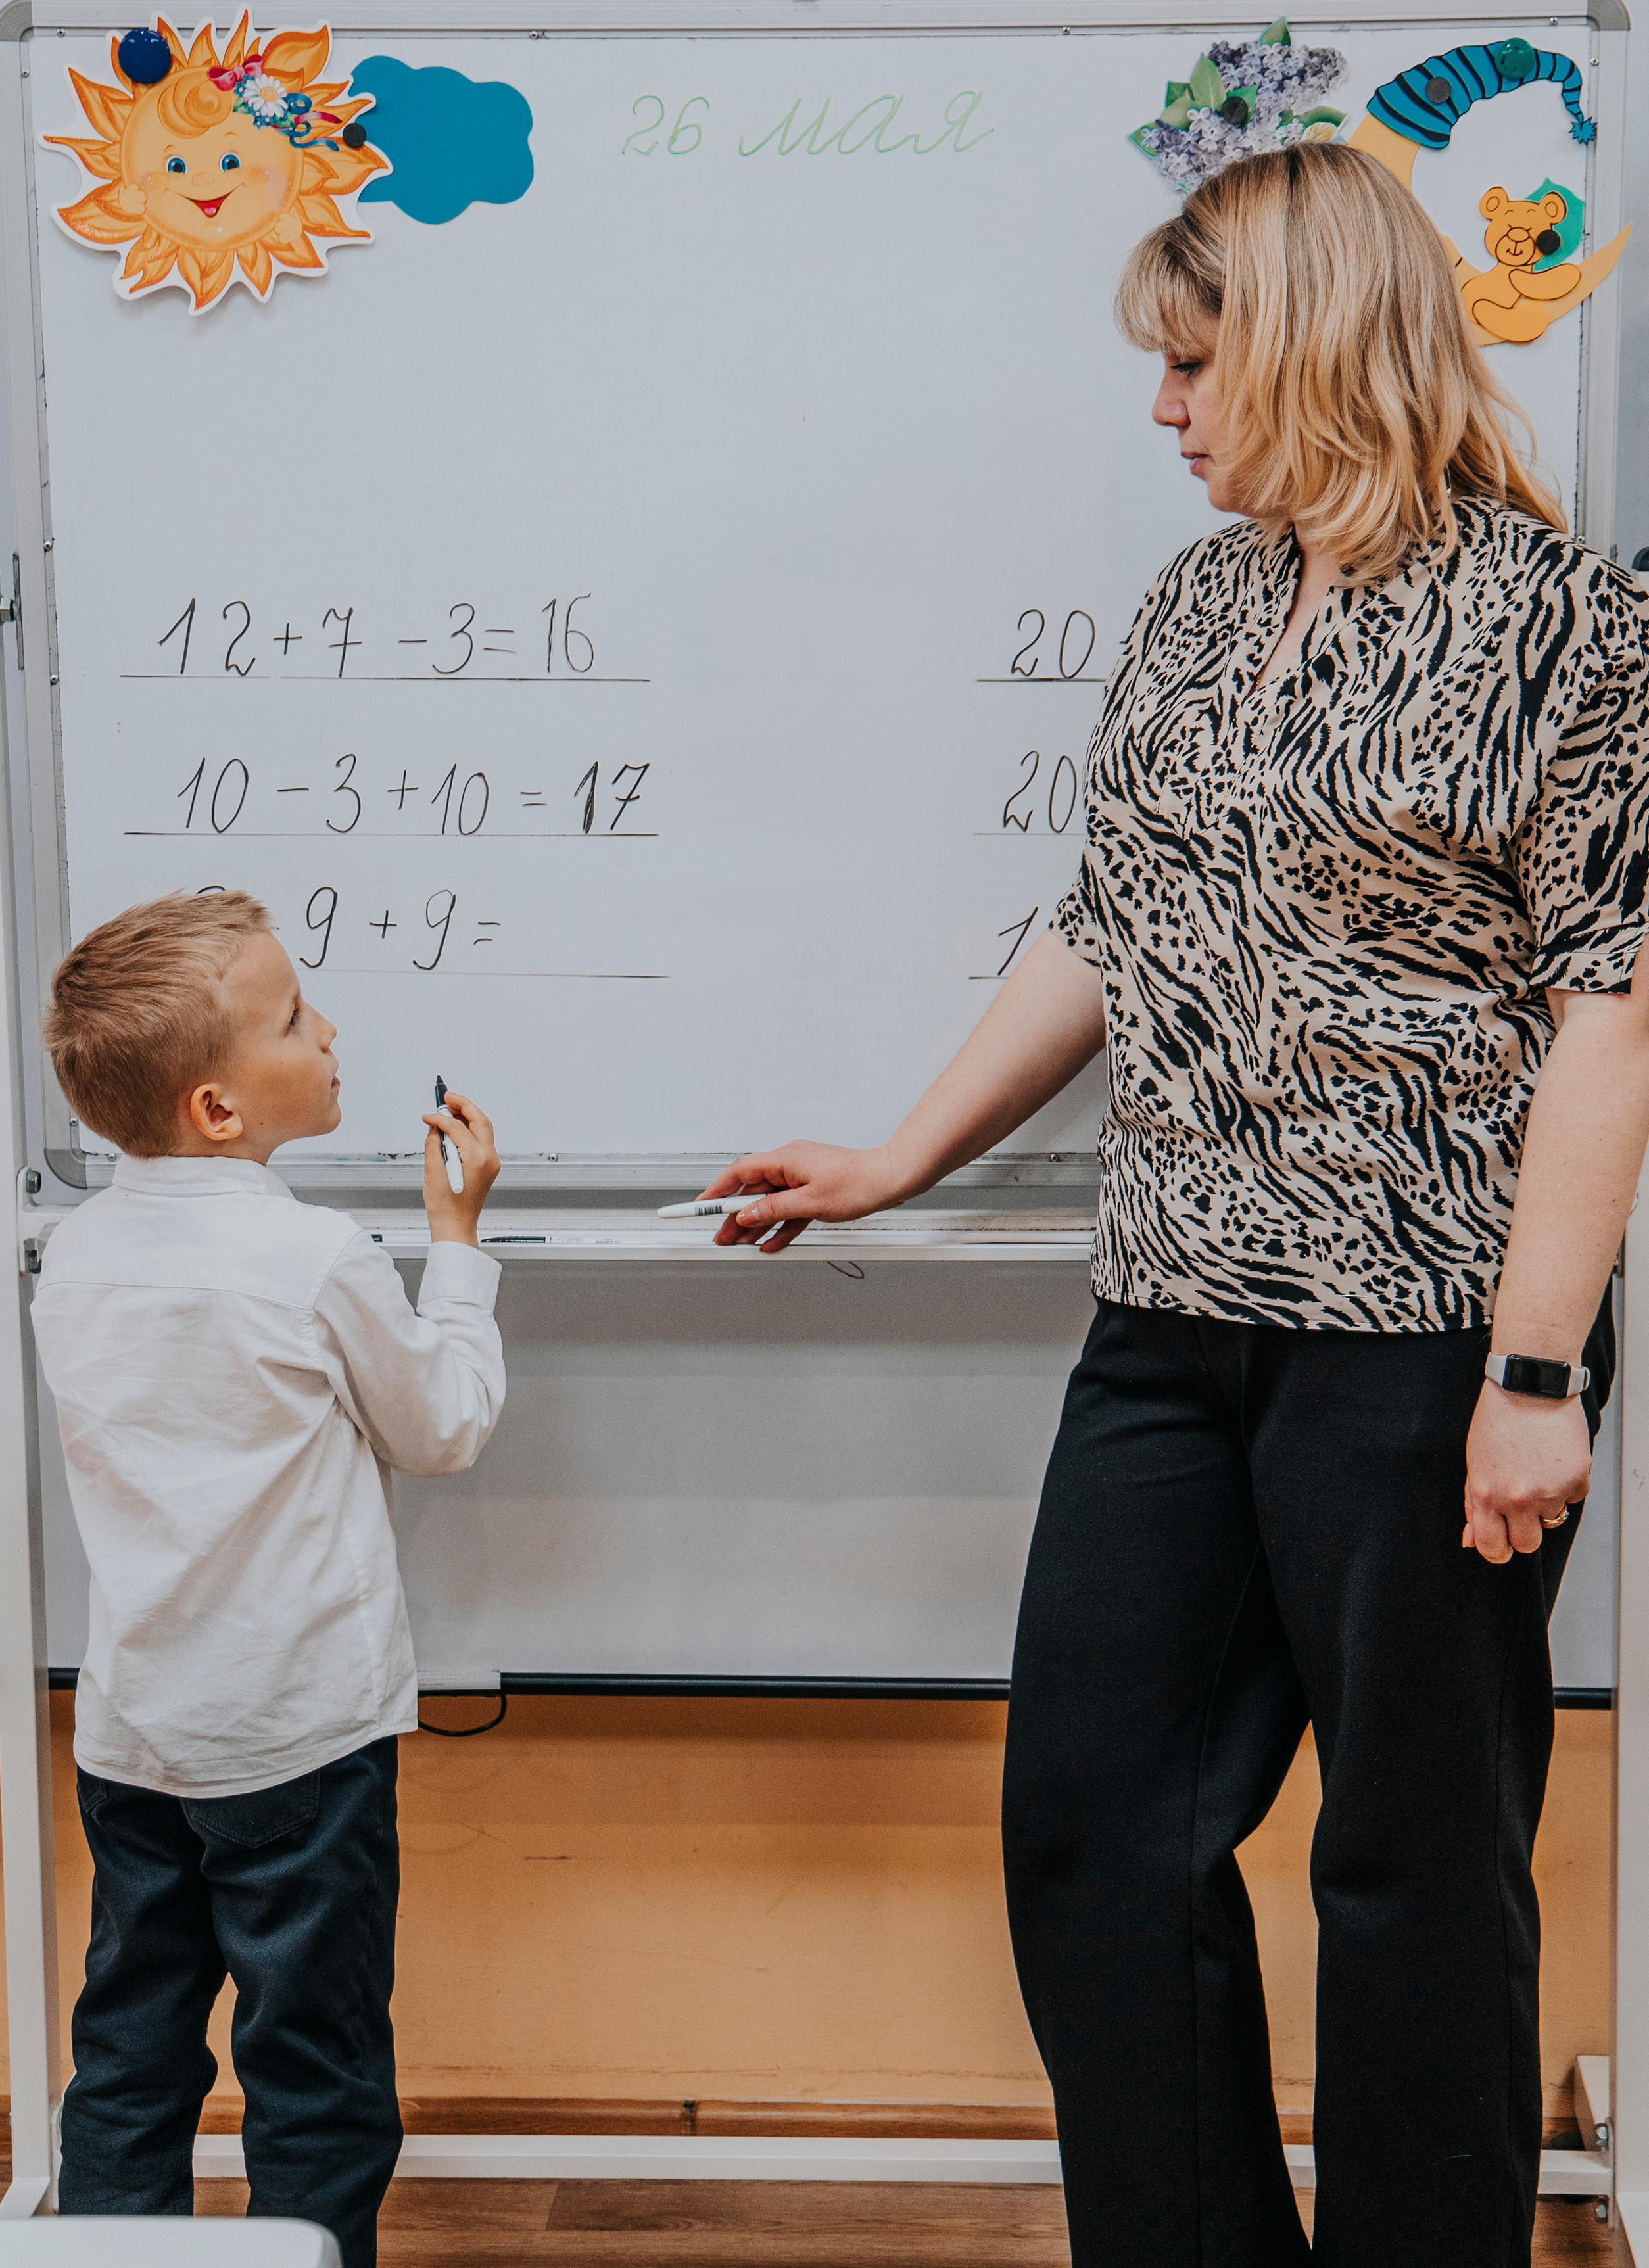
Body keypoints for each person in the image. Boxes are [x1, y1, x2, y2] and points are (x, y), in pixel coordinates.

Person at [699, 145, 1649, 2266]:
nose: (1167, 412)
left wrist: (1532, 1370)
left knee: (1412, 1871)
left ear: (1312, 347)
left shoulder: (1569, 624)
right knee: (1093, 1829)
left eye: (1197, 365)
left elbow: (1615, 1017)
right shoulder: (1200, 606)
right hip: (1170, 1311)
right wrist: (899, 1154)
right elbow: (1113, 925)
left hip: (1424, 1335)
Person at [32, 889, 504, 2267]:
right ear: (219, 1111)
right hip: (300, 1741)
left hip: (136, 1739)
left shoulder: (74, 1257)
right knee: (314, 2063)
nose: (330, 1026)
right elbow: (443, 1428)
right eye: (296, 1016)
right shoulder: (315, 1261)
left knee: (128, 2044)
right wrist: (457, 1249)